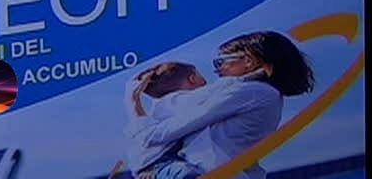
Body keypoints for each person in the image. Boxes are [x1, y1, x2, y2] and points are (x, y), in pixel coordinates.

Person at [127, 31, 317, 179]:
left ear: (249, 61)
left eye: (221, 62)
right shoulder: (262, 93)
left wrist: (134, 104)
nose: (218, 71)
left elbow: (184, 122)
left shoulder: (251, 92)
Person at [123, 61, 210, 179]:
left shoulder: (162, 106)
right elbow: (217, 96)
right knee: (187, 174)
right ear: (192, 78)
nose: (205, 82)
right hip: (160, 163)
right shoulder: (177, 100)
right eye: (201, 77)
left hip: (157, 164)